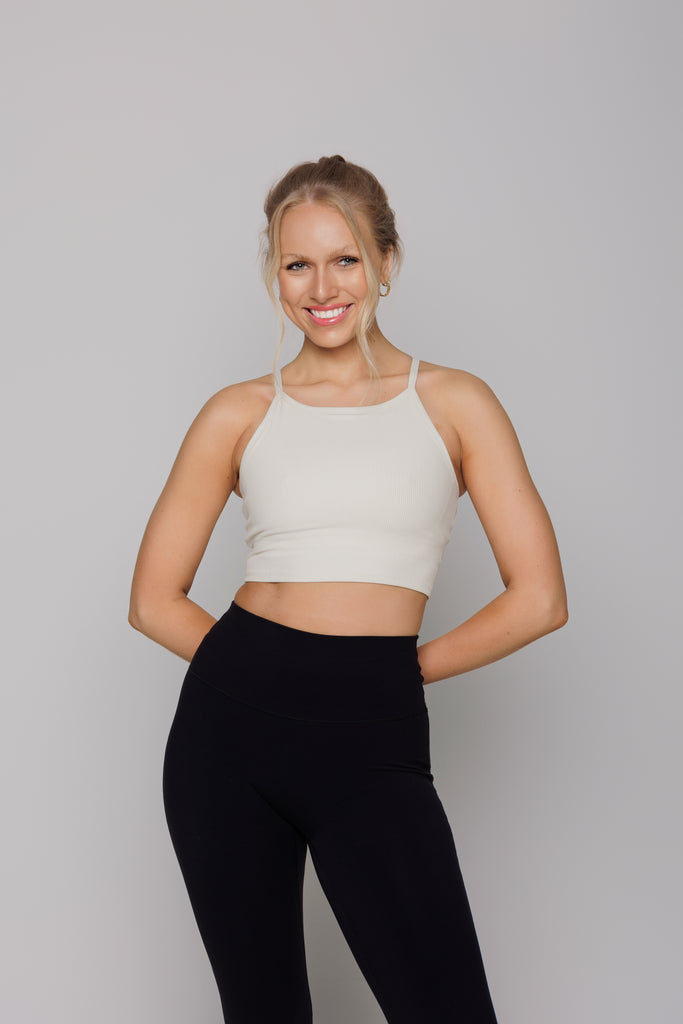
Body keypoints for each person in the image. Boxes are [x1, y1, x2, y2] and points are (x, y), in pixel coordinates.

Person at [129, 154, 568, 1023]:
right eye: (297, 263)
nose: (321, 287)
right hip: (226, 738)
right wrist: (262, 678)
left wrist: (393, 674)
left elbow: (539, 598)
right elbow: (152, 600)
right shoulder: (238, 411)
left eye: (345, 259)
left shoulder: (454, 402)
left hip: (373, 727)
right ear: (274, 274)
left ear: (386, 262)